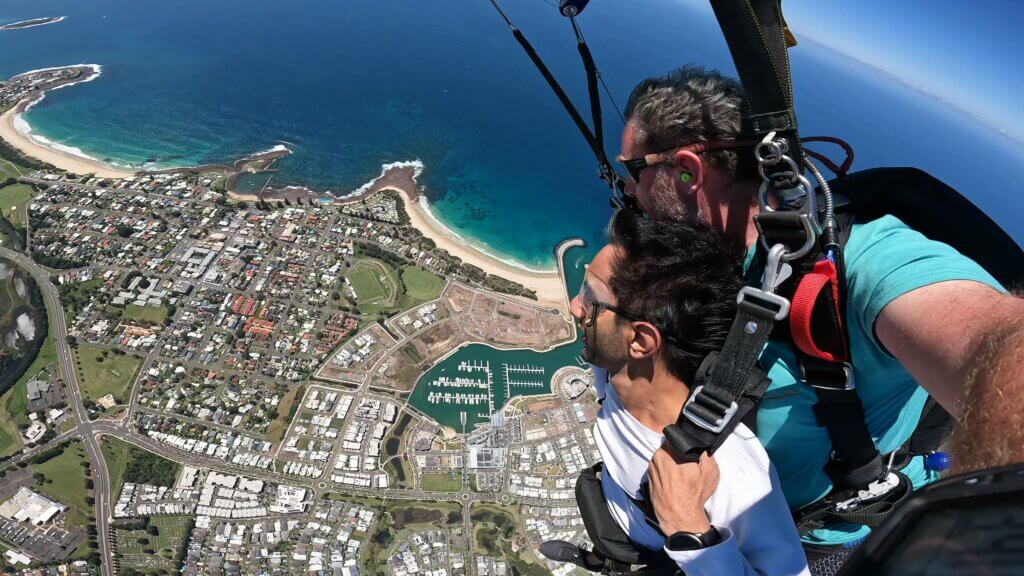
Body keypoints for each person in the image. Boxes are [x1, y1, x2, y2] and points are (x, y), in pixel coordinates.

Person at [614, 64, 1024, 567]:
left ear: (687, 171)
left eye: (635, 172)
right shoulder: (712, 251)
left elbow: (1000, 347)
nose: (629, 192)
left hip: (818, 537)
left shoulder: (864, 264)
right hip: (736, 510)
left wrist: (689, 529)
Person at [542, 208, 810, 575]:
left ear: (639, 340)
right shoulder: (618, 372)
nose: (575, 307)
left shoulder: (735, 476)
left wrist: (689, 529)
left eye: (590, 297)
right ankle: (602, 558)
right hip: (624, 523)